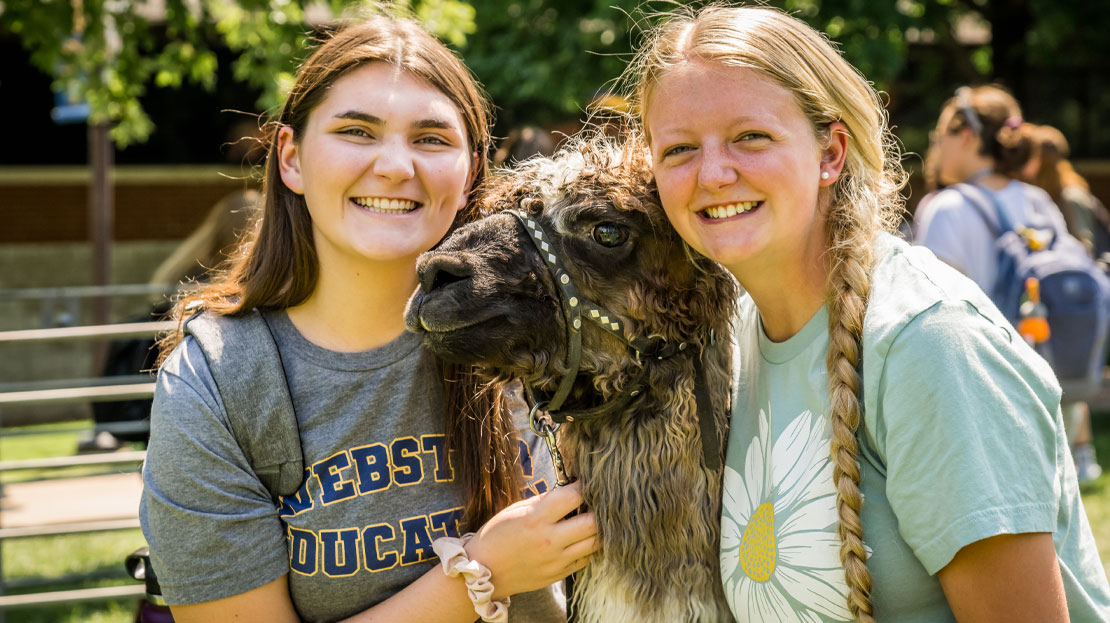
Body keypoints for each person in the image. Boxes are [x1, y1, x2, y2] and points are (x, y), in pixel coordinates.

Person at [629, 5, 1110, 622]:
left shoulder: (926, 342)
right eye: (679, 149)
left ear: (831, 152)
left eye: (752, 137)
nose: (715, 173)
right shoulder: (734, 339)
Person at [140, 14, 597, 623]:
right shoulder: (219, 384)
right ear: (291, 157)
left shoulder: (551, 334)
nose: (394, 166)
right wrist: (482, 573)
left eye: (432, 139)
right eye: (357, 131)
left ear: (469, 175)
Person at [1022, 123, 1109, 484]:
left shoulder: (1070, 194)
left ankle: (1083, 455)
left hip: (1078, 298)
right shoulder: (1044, 193)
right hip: (1059, 296)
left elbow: (1083, 249)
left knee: (1073, 372)